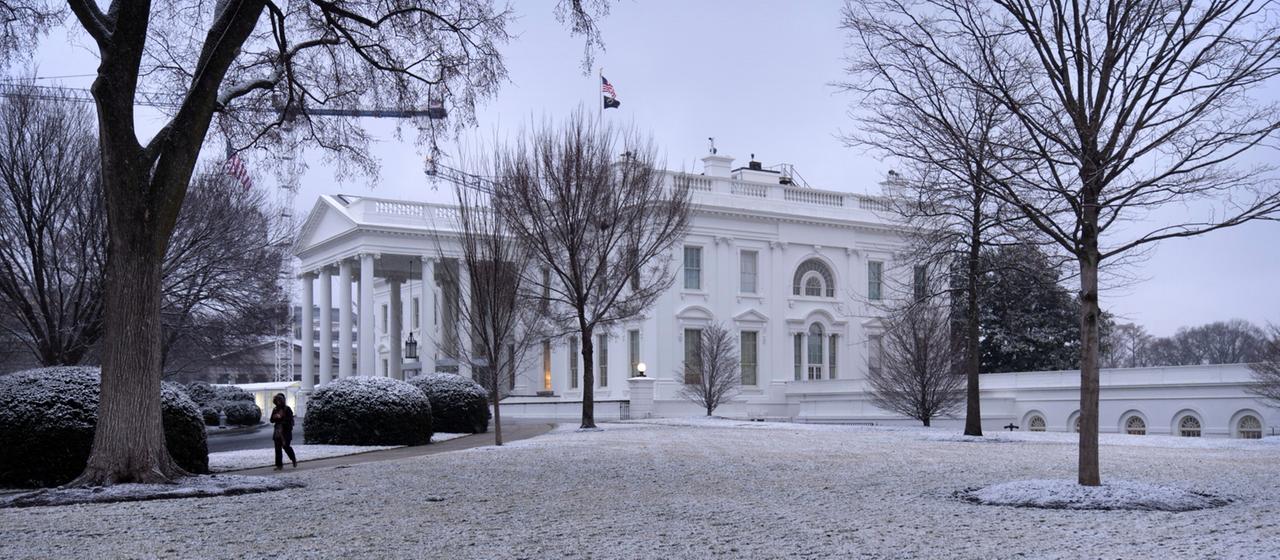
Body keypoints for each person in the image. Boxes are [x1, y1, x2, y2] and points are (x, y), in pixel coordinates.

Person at [270, 393, 297, 470]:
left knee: (286, 447)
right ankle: (279, 465)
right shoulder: (275, 409)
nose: (278, 402)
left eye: (279, 400)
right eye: (276, 400)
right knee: (277, 448)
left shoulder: (287, 409)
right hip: (277, 431)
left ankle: (293, 459)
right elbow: (271, 420)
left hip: (285, 431)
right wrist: (275, 417)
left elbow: (290, 420)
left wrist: (282, 420)